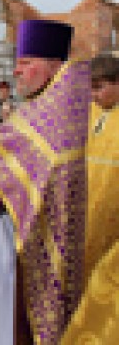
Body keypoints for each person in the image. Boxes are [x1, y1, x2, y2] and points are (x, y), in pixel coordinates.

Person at [0, 20, 89, 345]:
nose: (16, 71)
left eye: (26, 63)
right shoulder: (41, 108)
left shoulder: (61, 115)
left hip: (16, 241)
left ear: (53, 66)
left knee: (7, 320)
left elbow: (48, 171)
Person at [84, 53, 119, 283]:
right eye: (91, 89)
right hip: (85, 214)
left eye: (99, 87)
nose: (94, 95)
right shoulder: (88, 113)